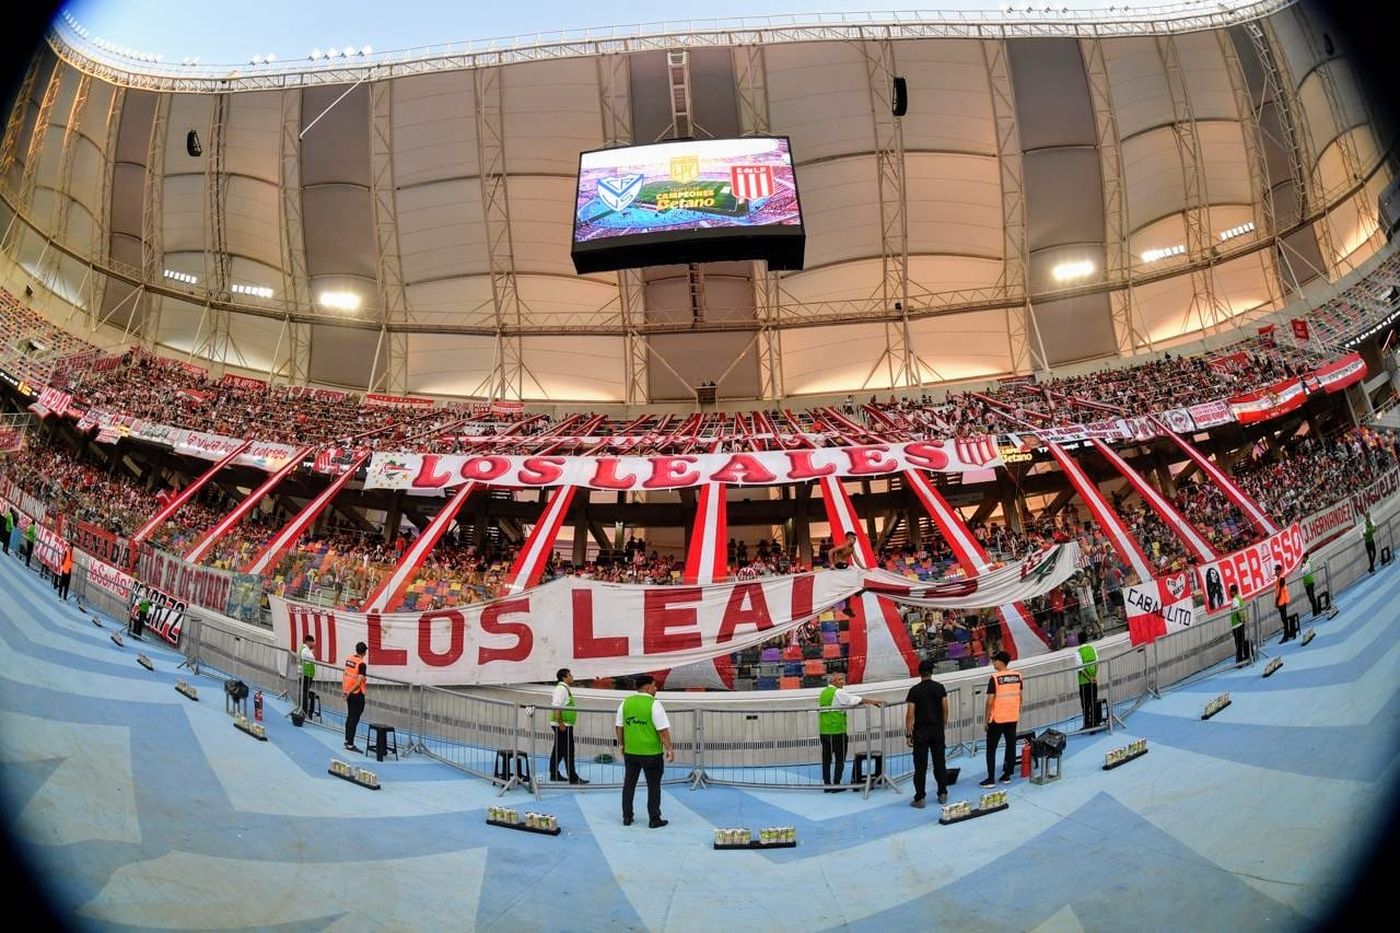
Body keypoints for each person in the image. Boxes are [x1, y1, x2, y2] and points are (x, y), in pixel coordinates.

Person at [614, 675, 673, 828]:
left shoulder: (625, 703)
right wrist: (669, 748)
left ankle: (627, 817)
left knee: (629, 785)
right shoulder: (654, 704)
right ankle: (654, 818)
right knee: (653, 786)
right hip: (651, 753)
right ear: (647, 687)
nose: (656, 688)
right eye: (654, 686)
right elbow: (663, 730)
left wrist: (622, 744)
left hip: (631, 752)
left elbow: (618, 727)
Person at [818, 672, 884, 792]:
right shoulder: (838, 692)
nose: (843, 682)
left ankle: (827, 785)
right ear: (832, 681)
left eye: (843, 679)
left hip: (824, 731)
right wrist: (873, 702)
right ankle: (836, 785)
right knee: (840, 759)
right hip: (837, 731)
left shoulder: (823, 693)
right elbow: (854, 700)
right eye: (839, 679)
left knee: (826, 760)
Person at [904, 657, 950, 808]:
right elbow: (945, 709)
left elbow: (910, 714)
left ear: (920, 673)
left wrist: (908, 733)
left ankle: (920, 798)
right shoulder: (940, 687)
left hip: (921, 732)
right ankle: (942, 793)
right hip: (937, 730)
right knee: (940, 763)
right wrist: (942, 726)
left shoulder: (914, 691)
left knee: (920, 767)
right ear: (931, 672)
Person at [980, 651, 1022, 788]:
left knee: (991, 749)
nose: (993, 663)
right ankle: (1007, 775)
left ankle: (990, 779)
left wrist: (986, 720)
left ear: (1000, 662)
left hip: (997, 718)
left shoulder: (995, 678)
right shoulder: (1017, 676)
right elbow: (1020, 697)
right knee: (1011, 746)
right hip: (1012, 716)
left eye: (994, 660)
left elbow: (990, 701)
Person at [550, 668, 589, 784]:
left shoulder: (565, 689)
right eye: (570, 675)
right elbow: (556, 706)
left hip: (564, 724)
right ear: (564, 677)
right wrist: (560, 723)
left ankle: (554, 774)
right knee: (568, 751)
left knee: (558, 751)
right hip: (563, 725)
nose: (572, 677)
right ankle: (573, 777)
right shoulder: (561, 690)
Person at [342, 641, 368, 752]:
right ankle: (350, 744)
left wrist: (345, 690)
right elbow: (359, 680)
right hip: (357, 693)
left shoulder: (349, 660)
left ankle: (348, 740)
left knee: (350, 717)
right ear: (364, 652)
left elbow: (345, 675)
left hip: (348, 691)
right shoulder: (361, 664)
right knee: (354, 718)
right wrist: (349, 691)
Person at [1077, 630, 1099, 730]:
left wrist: (1088, 678)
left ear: (1078, 641)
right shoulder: (1092, 648)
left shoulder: (1078, 653)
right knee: (1093, 701)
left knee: (1085, 704)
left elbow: (1081, 669)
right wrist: (1094, 676)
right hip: (1093, 680)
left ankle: (1087, 724)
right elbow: (1096, 663)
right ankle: (1095, 722)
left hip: (1084, 682)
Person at [1275, 564, 1294, 642]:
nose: (1275, 572)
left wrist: (1277, 600)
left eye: (1276, 570)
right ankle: (1287, 632)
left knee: (1284, 618)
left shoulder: (1281, 579)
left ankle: (1286, 635)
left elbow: (1280, 591)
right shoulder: (1279, 579)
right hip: (1281, 601)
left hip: (1282, 601)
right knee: (1283, 618)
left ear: (1279, 570)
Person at [1229, 584, 1248, 664]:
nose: (1229, 593)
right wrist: (1243, 620)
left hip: (1237, 624)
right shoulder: (1239, 598)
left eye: (1230, 591)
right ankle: (1243, 658)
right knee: (1241, 641)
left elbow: (1236, 611)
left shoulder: (1235, 600)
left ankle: (1240, 661)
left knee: (1238, 643)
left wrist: (1240, 620)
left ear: (1233, 591)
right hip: (1240, 623)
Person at [298, 635, 316, 714]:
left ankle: (303, 709)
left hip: (307, 674)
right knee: (305, 693)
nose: (313, 644)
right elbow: (312, 657)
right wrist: (313, 651)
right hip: (306, 674)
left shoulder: (306, 650)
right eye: (312, 642)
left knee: (304, 692)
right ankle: (303, 710)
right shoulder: (305, 650)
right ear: (308, 642)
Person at [1300, 551, 1319, 617]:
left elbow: (1303, 571)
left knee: (1312, 597)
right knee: (1310, 598)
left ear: (1306, 558)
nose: (1303, 560)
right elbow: (1302, 572)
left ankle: (1315, 611)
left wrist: (1302, 566)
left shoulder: (1308, 563)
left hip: (1310, 581)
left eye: (1303, 558)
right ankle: (1316, 610)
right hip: (1306, 583)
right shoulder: (1305, 563)